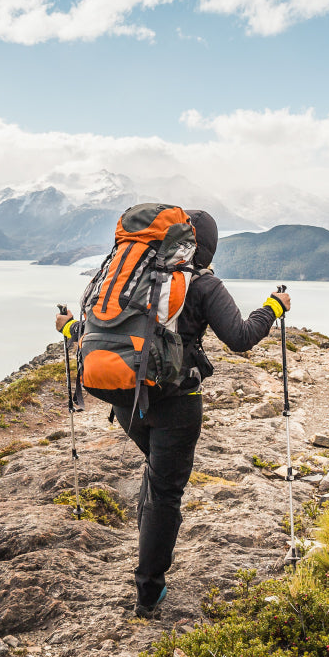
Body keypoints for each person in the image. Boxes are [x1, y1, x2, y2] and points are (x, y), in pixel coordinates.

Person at [55, 210, 291, 618]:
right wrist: (274, 306)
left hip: (126, 398)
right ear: (208, 247)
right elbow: (241, 337)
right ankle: (149, 593)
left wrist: (67, 329)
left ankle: (149, 555)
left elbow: (107, 330)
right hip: (176, 402)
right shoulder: (202, 284)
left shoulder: (132, 279)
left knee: (156, 473)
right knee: (165, 492)